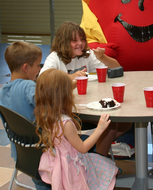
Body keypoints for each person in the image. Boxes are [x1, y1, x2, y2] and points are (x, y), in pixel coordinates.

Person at [39, 21, 132, 157]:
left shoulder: (86, 55)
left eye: (82, 39)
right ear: (63, 42)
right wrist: (71, 77)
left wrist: (103, 57)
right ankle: (99, 161)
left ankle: (94, 150)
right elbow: (43, 81)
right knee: (110, 126)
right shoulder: (55, 58)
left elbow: (117, 70)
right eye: (74, 40)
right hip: (67, 111)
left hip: (87, 105)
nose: (80, 43)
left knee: (125, 122)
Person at [35, 69, 118, 190]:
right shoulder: (65, 123)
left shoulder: (44, 114)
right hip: (72, 167)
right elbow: (83, 148)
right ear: (64, 95)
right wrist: (100, 128)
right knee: (105, 168)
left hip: (56, 161)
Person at [0, 41, 51, 190]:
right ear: (26, 67)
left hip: (22, 154)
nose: (39, 69)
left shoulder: (3, 92)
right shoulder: (29, 87)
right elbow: (49, 108)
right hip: (43, 155)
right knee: (82, 142)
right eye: (37, 65)